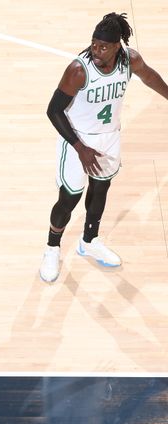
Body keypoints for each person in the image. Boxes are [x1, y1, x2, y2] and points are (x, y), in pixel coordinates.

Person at [39, 12, 168, 282]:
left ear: (117, 46)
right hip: (77, 138)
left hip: (108, 136)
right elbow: (53, 110)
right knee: (69, 198)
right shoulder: (79, 70)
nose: (95, 50)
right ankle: (52, 247)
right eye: (94, 44)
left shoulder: (129, 60)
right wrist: (79, 147)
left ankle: (89, 241)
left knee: (100, 189)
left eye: (103, 46)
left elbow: (149, 77)